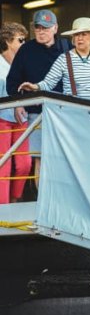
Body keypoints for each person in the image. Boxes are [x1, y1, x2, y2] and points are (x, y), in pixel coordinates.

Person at [6, 9, 71, 186]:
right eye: (38, 27)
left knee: (66, 160)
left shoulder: (68, 48)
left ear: (55, 28)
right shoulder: (26, 50)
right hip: (36, 115)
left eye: (46, 28)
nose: (41, 31)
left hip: (66, 115)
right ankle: (41, 202)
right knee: (40, 160)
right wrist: (18, 104)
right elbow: (12, 82)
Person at [18, 17, 90, 102]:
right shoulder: (64, 59)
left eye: (84, 34)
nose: (80, 38)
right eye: (76, 34)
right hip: (72, 113)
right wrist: (35, 87)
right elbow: (48, 83)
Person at [0, 22, 32, 204]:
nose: (24, 43)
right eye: (20, 40)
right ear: (8, 41)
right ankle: (3, 209)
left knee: (24, 164)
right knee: (2, 166)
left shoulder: (24, 63)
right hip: (2, 120)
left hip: (22, 120)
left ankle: (14, 200)